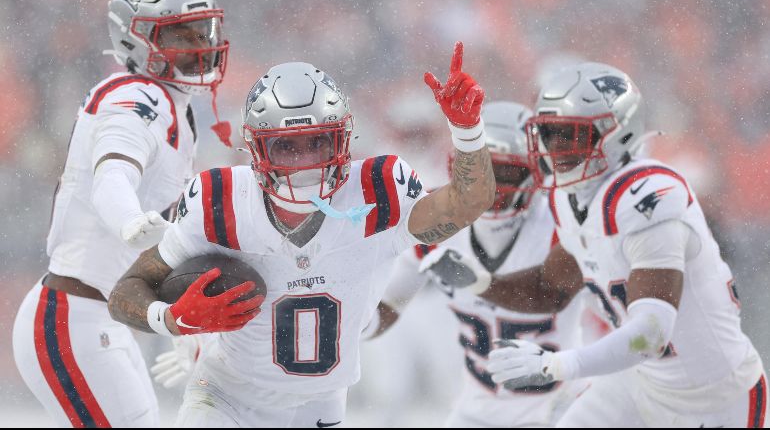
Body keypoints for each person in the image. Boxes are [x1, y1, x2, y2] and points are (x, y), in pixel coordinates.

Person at [107, 42, 496, 427]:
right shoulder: (221, 201)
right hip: (227, 399)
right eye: (286, 147)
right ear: (257, 149)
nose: (305, 162)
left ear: (343, 139)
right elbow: (129, 288)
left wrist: (467, 133)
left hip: (320, 406)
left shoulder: (378, 190)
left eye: (317, 143)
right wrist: (171, 319)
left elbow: (465, 204)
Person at [467, 62, 765, 427]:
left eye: (570, 136)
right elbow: (552, 286)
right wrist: (474, 280)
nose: (555, 149)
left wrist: (555, 365)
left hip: (711, 396)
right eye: (548, 134)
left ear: (616, 134)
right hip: (640, 383)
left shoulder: (649, 197)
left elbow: (652, 333)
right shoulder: (571, 197)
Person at [12, 0, 230, 427]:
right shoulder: (135, 95)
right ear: (138, 39)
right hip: (71, 316)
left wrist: (176, 315)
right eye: (180, 36)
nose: (199, 48)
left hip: (108, 314)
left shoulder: (175, 105)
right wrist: (130, 219)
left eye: (201, 32)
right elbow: (112, 175)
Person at [367, 101, 590, 427]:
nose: (490, 186)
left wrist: (477, 282)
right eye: (480, 170)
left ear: (535, 171)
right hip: (476, 411)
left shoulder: (561, 220)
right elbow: (388, 305)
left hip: (559, 408)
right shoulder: (437, 217)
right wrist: (346, 326)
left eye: (506, 170)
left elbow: (550, 293)